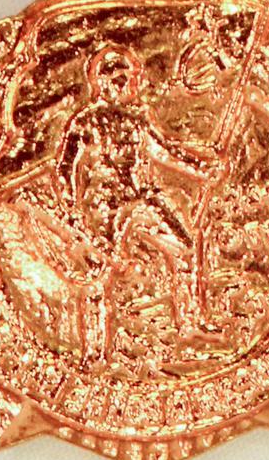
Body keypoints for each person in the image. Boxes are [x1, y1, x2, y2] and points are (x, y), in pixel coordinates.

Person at [55, 45, 223, 365]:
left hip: (141, 198)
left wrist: (201, 169)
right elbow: (66, 169)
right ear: (104, 82)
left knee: (183, 247)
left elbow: (163, 152)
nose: (128, 85)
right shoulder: (86, 122)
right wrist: (72, 210)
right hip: (104, 205)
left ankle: (190, 322)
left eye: (129, 78)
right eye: (121, 79)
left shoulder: (137, 119)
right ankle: (94, 353)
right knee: (98, 273)